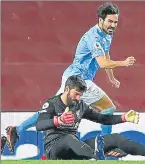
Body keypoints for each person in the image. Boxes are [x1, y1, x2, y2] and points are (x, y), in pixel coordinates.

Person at [6, 3, 136, 153]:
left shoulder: (107, 33)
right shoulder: (94, 37)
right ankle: (105, 147)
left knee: (52, 110)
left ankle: (17, 130)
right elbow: (101, 62)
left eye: (115, 22)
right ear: (100, 20)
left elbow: (106, 55)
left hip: (76, 78)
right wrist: (123, 63)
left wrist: (111, 77)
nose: (113, 25)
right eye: (110, 21)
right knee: (108, 108)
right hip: (78, 79)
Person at [36, 75, 145, 160]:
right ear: (66, 89)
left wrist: (123, 118)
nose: (78, 98)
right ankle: (97, 155)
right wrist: (58, 120)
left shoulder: (80, 105)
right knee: (69, 138)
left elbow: (102, 119)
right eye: (76, 94)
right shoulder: (52, 104)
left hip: (76, 149)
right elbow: (39, 125)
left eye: (80, 95)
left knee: (116, 138)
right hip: (54, 150)